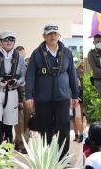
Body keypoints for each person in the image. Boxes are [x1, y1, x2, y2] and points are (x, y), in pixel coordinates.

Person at [25, 24, 79, 158]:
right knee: (44, 128)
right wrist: (29, 96)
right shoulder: (36, 53)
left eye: (55, 33)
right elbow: (30, 76)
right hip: (43, 98)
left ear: (58, 35)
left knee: (64, 127)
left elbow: (72, 74)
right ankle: (48, 157)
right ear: (44, 36)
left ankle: (63, 158)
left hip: (62, 97)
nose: (52, 36)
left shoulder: (67, 52)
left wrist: (75, 95)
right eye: (49, 34)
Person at [0, 31, 26, 151]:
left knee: (8, 127)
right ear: (1, 41)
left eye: (11, 39)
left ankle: (6, 158)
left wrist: (16, 82)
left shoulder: (20, 57)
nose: (9, 42)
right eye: (6, 39)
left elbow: (23, 77)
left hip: (12, 93)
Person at [14, 46, 29, 153]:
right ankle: (21, 144)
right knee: (19, 121)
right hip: (17, 95)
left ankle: (21, 142)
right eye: (20, 55)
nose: (22, 57)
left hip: (28, 95)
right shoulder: (13, 67)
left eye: (23, 55)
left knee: (27, 121)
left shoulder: (28, 66)